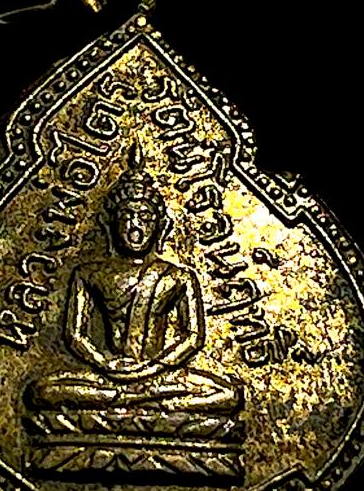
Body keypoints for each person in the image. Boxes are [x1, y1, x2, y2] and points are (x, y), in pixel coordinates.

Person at [23, 142, 243, 415]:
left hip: (160, 374)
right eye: (126, 216)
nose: (135, 227)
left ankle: (130, 402)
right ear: (109, 224)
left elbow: (193, 337)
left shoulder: (179, 277)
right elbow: (75, 335)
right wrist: (106, 364)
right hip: (108, 374)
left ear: (160, 226)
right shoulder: (88, 273)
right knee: (42, 392)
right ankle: (148, 406)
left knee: (229, 396)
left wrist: (153, 368)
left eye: (145, 218)